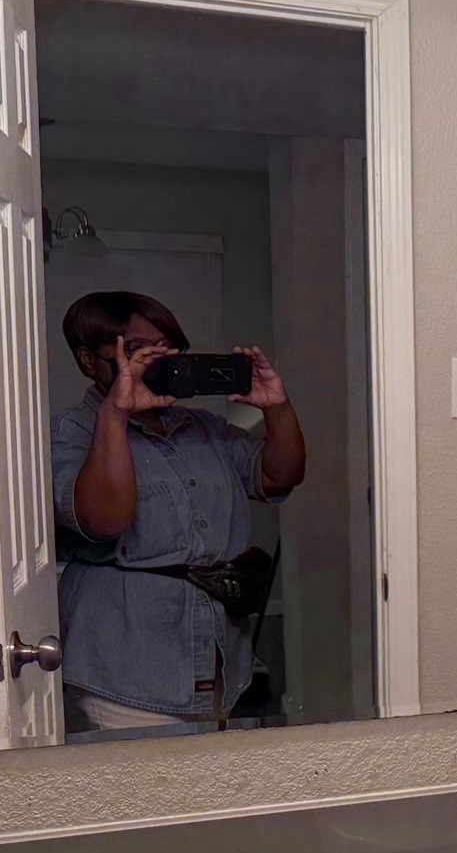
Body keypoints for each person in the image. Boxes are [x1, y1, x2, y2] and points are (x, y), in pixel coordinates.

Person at [50, 291, 306, 733]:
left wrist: (277, 407)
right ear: (89, 361)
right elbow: (103, 519)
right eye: (135, 349)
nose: (155, 360)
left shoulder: (202, 427)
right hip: (126, 667)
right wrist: (115, 414)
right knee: (144, 797)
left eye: (166, 347)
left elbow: (279, 477)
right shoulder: (71, 432)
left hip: (218, 657)